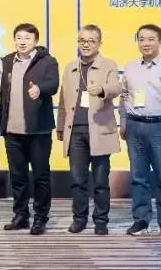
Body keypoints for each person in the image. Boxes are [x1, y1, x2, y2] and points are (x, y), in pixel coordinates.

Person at [120, 24, 161, 237]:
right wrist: (123, 121)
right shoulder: (130, 67)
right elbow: (124, 95)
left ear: (160, 41)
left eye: (150, 39)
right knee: (138, 176)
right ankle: (141, 219)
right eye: (142, 39)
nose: (146, 43)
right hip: (134, 125)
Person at [57, 24, 121, 235]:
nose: (86, 45)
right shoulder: (70, 67)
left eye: (91, 41)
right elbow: (63, 100)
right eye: (82, 41)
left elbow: (116, 88)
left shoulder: (108, 65)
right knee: (78, 181)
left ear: (99, 43)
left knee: (101, 181)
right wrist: (61, 127)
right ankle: (79, 219)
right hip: (75, 132)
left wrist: (102, 90)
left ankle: (101, 220)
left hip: (100, 130)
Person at [0, 23, 59, 235]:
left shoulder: (47, 61)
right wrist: (2, 124)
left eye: (27, 38)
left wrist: (39, 89)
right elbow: (3, 94)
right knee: (18, 176)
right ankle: (21, 215)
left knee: (41, 175)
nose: (22, 42)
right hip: (12, 130)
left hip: (38, 130)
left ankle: (41, 217)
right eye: (19, 38)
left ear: (35, 41)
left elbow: (53, 85)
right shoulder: (8, 61)